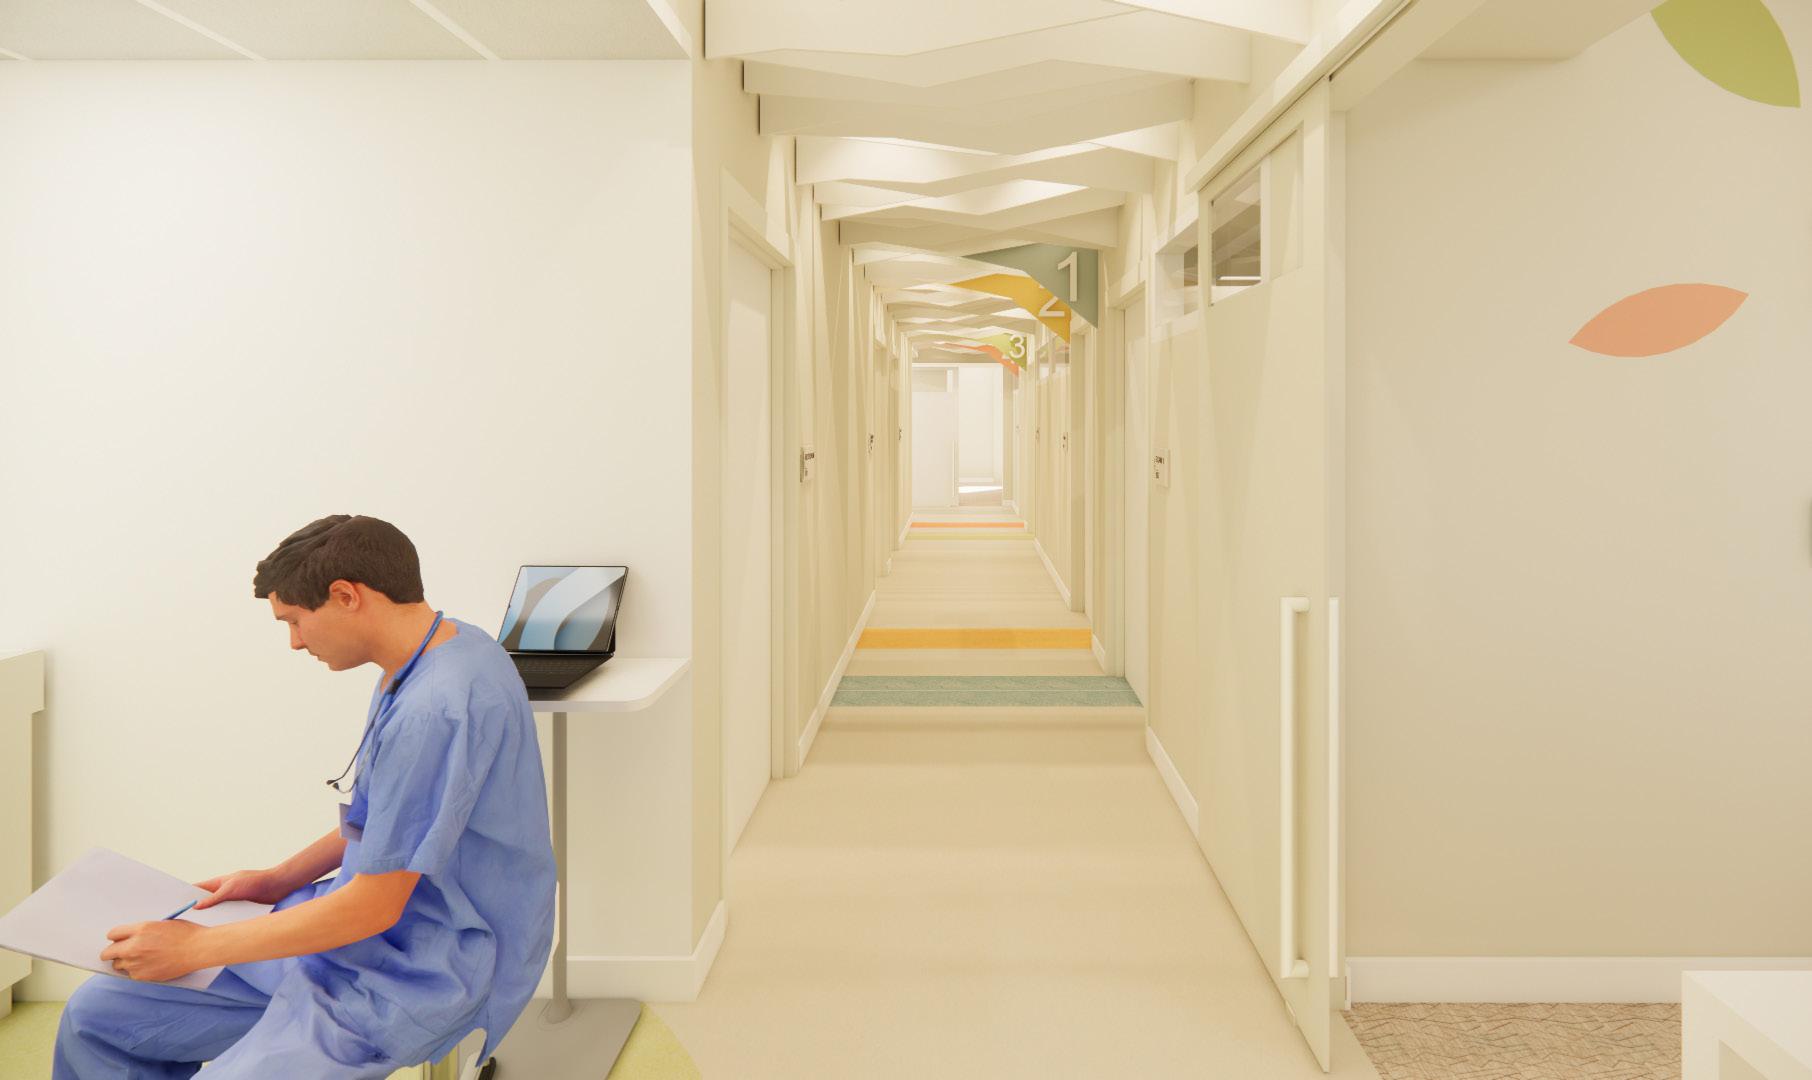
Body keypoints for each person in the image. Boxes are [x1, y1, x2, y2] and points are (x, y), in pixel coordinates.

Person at [53, 515, 556, 1078]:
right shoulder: (439, 648)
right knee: (95, 1016)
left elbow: (374, 906)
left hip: (417, 964)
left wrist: (193, 948)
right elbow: (390, 821)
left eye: (294, 620)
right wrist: (278, 879)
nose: (294, 641)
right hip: (350, 933)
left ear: (345, 596)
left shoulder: (435, 706)